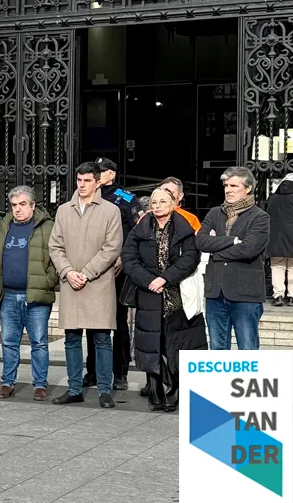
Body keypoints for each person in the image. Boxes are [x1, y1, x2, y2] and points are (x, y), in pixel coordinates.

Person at [122, 187, 205, 412]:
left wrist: (165, 279)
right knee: (152, 344)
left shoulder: (183, 227)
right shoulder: (141, 228)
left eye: (163, 202)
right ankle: (155, 393)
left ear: (173, 204)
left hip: (175, 294)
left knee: (173, 344)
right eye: (154, 202)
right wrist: (149, 280)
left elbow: (191, 258)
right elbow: (129, 258)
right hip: (148, 294)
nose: (157, 206)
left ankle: (173, 392)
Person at [48, 162, 123, 409]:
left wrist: (87, 273)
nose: (81, 185)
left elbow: (112, 248)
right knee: (71, 338)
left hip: (99, 284)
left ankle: (104, 390)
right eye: (79, 180)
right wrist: (68, 272)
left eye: (87, 180)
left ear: (97, 182)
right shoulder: (63, 210)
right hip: (71, 283)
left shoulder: (111, 211)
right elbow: (55, 246)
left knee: (102, 338)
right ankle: (74, 389)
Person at [0, 186, 57, 401]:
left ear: (33, 205)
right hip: (8, 296)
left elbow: (57, 258)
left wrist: (47, 281)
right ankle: (7, 382)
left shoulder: (48, 227)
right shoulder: (4, 226)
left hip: (36, 296)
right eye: (14, 205)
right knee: (9, 342)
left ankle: (40, 384)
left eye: (22, 204)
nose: (17, 209)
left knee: (39, 342)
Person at [197, 166, 270, 351]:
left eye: (234, 186)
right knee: (217, 348)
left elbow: (248, 250)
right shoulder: (215, 213)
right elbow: (201, 241)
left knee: (247, 348)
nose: (228, 190)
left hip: (246, 292)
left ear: (248, 188)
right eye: (226, 186)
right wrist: (232, 241)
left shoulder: (260, 217)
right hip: (216, 291)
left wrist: (215, 249)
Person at [90, 157, 141, 391]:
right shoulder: (89, 195)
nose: (97, 175)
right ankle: (93, 371)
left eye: (101, 171)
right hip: (94, 267)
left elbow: (136, 231)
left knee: (119, 321)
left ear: (111, 174)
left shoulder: (126, 198)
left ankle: (120, 372)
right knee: (92, 321)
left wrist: (123, 257)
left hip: (117, 268)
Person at [267, 173, 293, 307]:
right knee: (292, 267)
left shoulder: (272, 198)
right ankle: (292, 296)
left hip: (276, 237)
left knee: (277, 266)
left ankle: (278, 296)